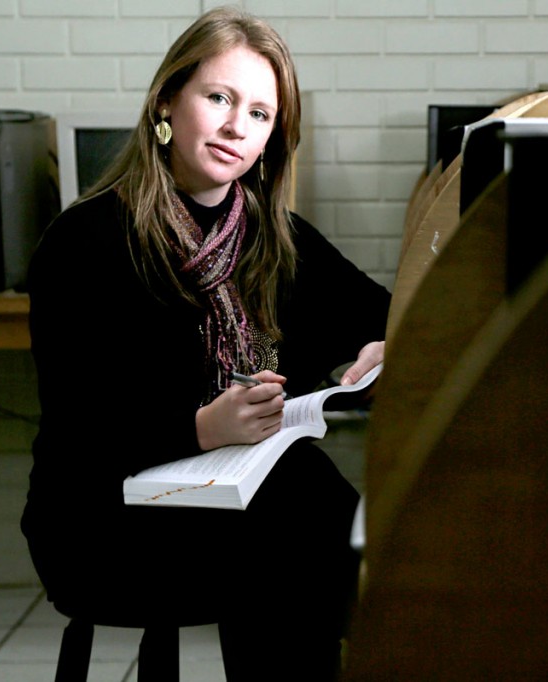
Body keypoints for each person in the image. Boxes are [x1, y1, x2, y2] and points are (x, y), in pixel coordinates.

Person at [20, 7, 390, 680]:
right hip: (104, 517)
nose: (236, 127)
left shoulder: (278, 239)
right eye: (218, 97)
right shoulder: (84, 243)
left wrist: (381, 346)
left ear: (273, 136)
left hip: (241, 502)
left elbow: (384, 314)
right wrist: (201, 428)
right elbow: (80, 429)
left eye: (259, 113)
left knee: (313, 513)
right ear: (167, 100)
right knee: (294, 531)